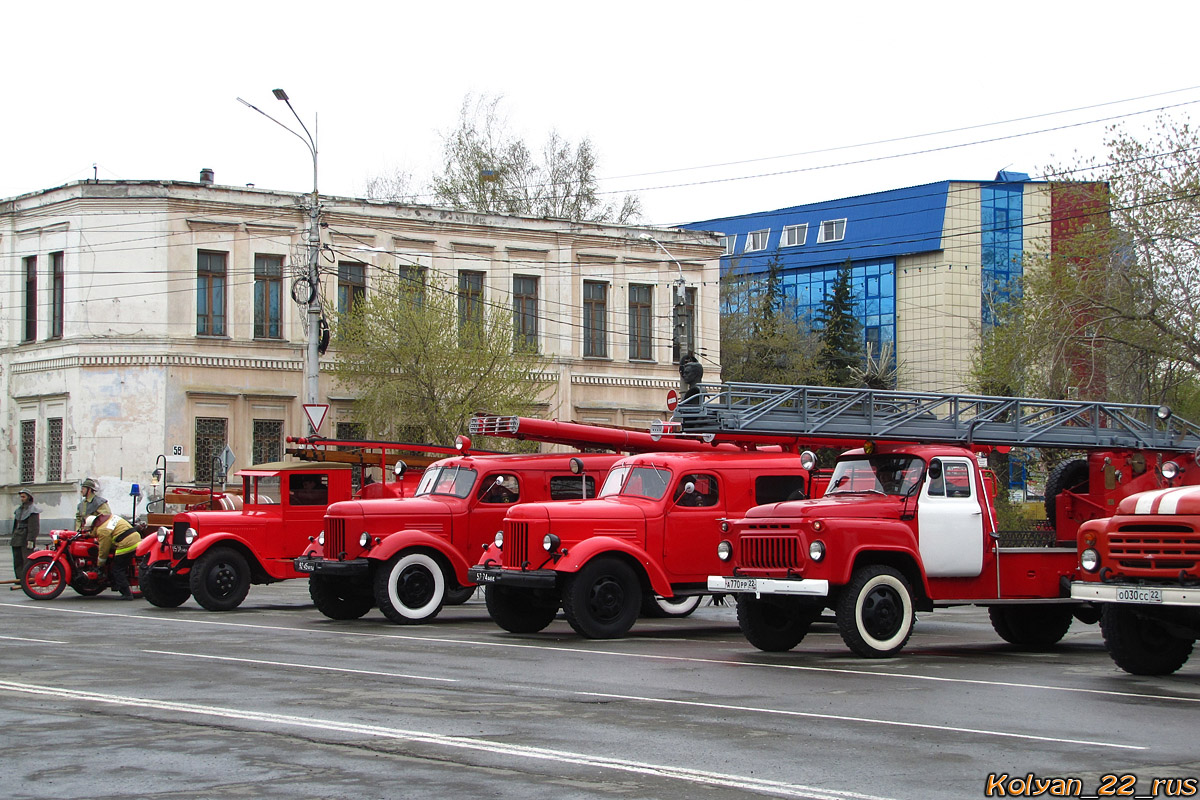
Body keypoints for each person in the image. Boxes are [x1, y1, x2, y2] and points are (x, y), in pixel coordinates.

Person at [86, 513, 141, 599]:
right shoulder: (109, 518)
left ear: (94, 526)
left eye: (90, 529)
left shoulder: (102, 530)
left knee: (117, 569)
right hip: (135, 537)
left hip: (126, 543)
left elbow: (104, 550)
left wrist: (100, 564)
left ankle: (127, 594)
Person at [11, 490, 40, 579]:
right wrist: (13, 536)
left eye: (23, 497)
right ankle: (19, 578)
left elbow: (34, 527)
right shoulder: (19, 510)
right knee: (17, 560)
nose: (22, 499)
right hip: (17, 538)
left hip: (26, 538)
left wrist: (31, 540)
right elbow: (15, 526)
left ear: (29, 497)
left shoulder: (33, 510)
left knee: (27, 560)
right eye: (21, 497)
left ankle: (27, 579)